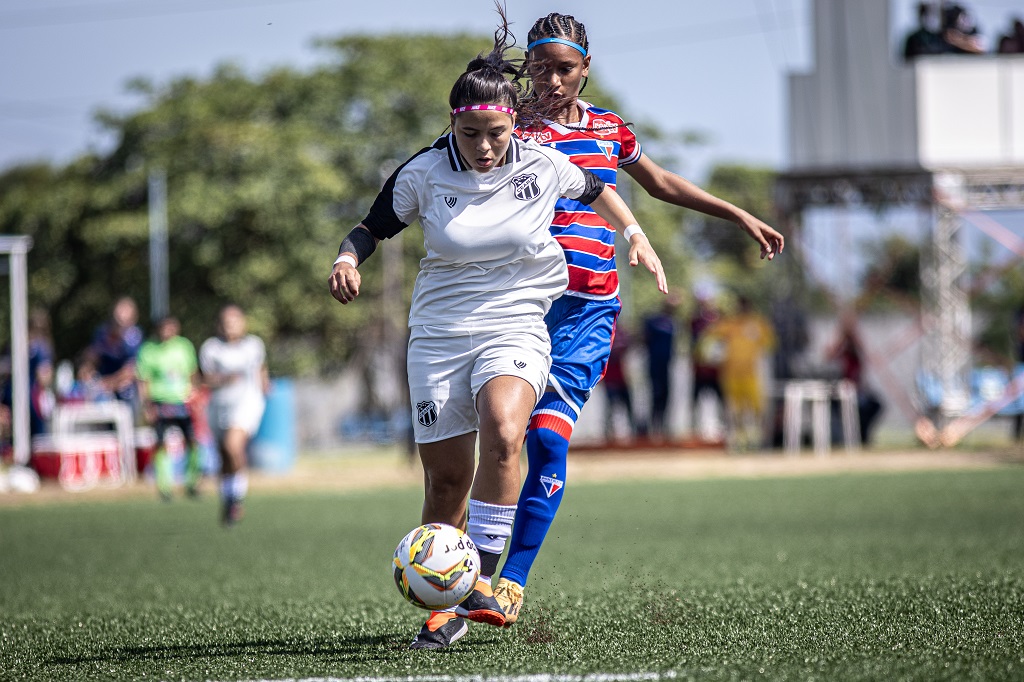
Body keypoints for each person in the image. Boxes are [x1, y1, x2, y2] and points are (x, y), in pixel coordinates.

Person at [328, 7, 667, 650]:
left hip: (516, 322)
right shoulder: (424, 173)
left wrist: (637, 236)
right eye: (473, 133)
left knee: (507, 427)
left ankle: (480, 576)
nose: (485, 148)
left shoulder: (539, 162)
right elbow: (370, 227)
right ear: (454, 126)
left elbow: (601, 187)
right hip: (438, 333)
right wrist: (347, 258)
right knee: (448, 480)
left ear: (511, 123)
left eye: (495, 133)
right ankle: (441, 604)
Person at [492, 12, 785, 625]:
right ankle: (460, 571)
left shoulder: (608, 130)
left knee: (545, 438)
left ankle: (510, 583)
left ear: (586, 69)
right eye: (539, 67)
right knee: (498, 438)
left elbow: (660, 182)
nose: (550, 80)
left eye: (563, 69)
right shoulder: (508, 129)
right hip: (518, 306)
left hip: (589, 311)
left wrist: (737, 214)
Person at [199, 305, 269, 526]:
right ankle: (228, 498)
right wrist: (223, 379)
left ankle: (237, 497)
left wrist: (266, 386)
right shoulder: (211, 348)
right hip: (220, 405)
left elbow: (261, 370)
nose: (230, 327)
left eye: (235, 321)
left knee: (233, 446)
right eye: (226, 322)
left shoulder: (253, 345)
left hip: (246, 403)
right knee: (224, 457)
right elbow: (205, 379)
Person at [136, 316, 203, 500]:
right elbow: (143, 380)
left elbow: (192, 373)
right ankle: (165, 486)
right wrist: (146, 405)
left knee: (192, 441)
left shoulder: (184, 346)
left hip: (183, 402)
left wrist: (196, 395)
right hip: (160, 402)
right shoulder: (148, 350)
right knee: (160, 444)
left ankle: (192, 482)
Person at [704, 295, 777, 452]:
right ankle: (737, 440)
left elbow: (770, 344)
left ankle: (759, 440)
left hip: (751, 374)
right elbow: (710, 338)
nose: (743, 308)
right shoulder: (730, 323)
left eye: (745, 305)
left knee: (757, 409)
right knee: (734, 410)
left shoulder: (758, 323)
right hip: (731, 374)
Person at [826, 315, 884, 447]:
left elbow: (860, 374)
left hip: (856, 392)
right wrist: (841, 339)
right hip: (840, 392)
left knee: (874, 405)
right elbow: (829, 357)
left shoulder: (855, 355)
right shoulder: (840, 352)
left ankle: (862, 436)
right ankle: (854, 437)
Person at [80, 296, 144, 410]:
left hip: (124, 390)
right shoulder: (102, 333)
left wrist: (107, 384)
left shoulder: (133, 336)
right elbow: (92, 357)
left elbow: (130, 370)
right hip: (102, 389)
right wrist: (87, 371)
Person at [643, 295, 679, 440]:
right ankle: (653, 427)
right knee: (655, 395)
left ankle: (664, 426)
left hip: (667, 365)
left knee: (666, 395)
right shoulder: (654, 321)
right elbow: (645, 339)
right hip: (654, 364)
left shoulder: (673, 323)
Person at [690, 292, 725, 442]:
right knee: (696, 400)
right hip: (700, 368)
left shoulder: (720, 322)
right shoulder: (695, 321)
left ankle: (722, 428)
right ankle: (696, 429)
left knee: (721, 400)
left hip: (716, 369)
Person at [600, 323, 637, 442]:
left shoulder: (622, 333)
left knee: (628, 406)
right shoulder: (605, 332)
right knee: (611, 407)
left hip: (622, 377)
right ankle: (609, 433)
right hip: (610, 378)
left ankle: (633, 432)